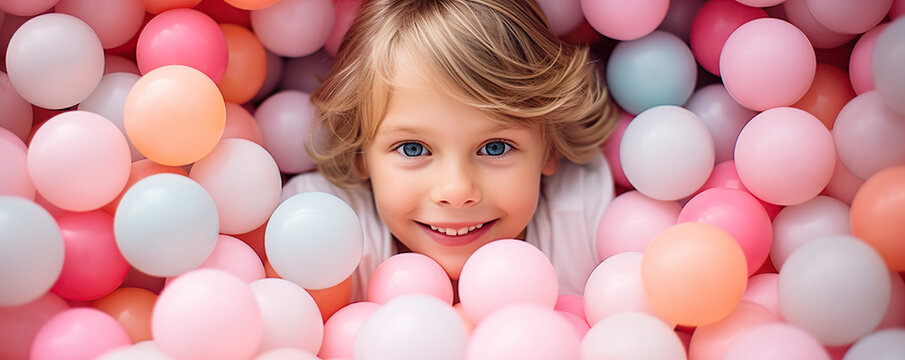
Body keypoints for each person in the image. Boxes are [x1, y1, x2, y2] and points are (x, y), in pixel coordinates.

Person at [282, 0, 618, 301]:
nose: (456, 191)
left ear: (549, 149)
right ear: (359, 152)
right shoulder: (322, 230)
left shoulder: (587, 220)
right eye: (413, 149)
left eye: (495, 147)